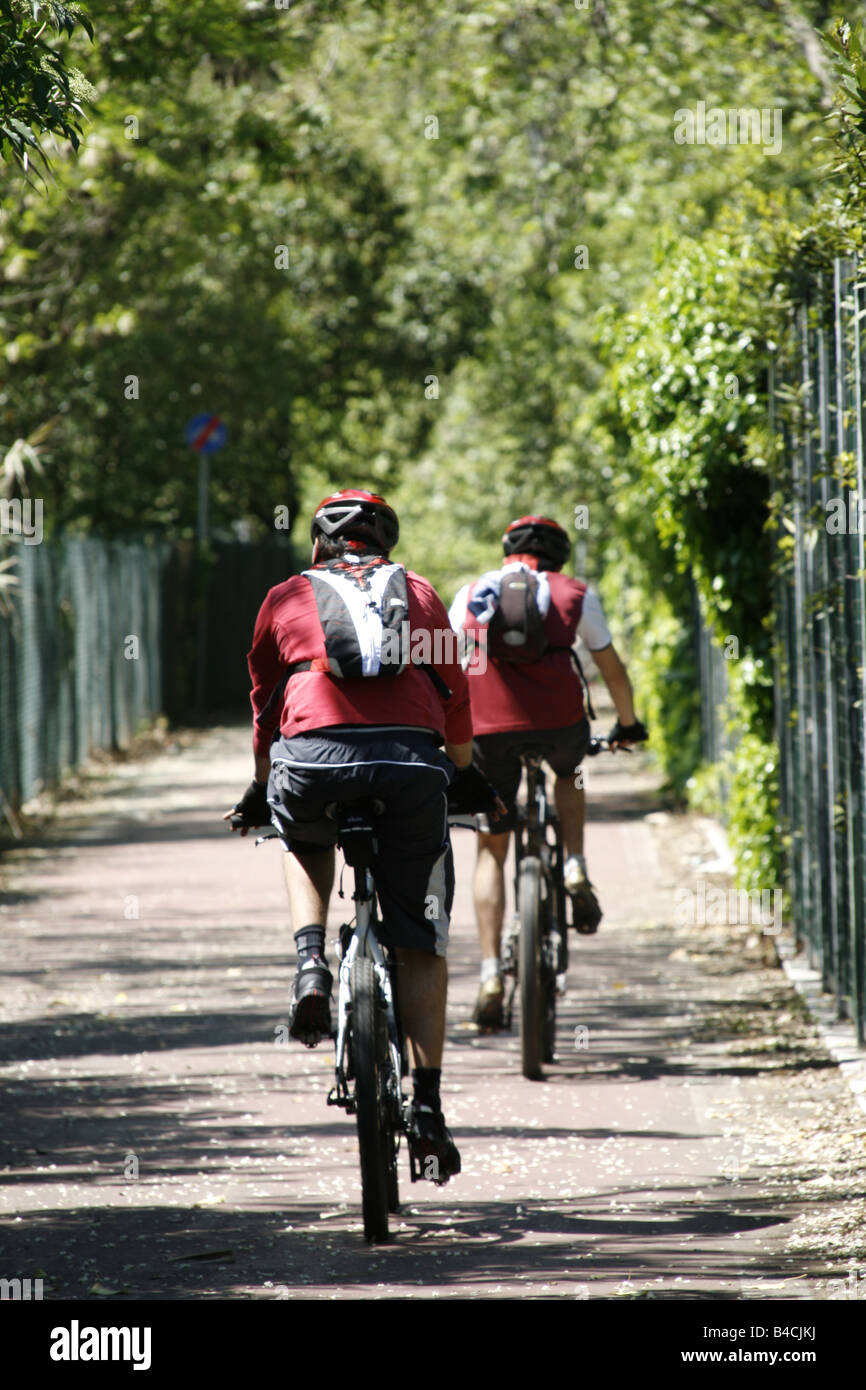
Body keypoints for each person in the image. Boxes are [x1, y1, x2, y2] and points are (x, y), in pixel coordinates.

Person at [224, 489, 499, 1181]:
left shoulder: (285, 596)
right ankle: (428, 1107)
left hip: (310, 759)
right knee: (422, 939)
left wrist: (263, 788)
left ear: (319, 544)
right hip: (410, 764)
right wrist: (463, 774)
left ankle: (311, 961)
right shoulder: (422, 593)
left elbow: (265, 706)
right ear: (387, 541)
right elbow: (455, 691)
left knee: (303, 837)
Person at [449, 514, 647, 1029]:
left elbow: (444, 671)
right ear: (558, 556)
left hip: (487, 730)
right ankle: (576, 863)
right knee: (571, 772)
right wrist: (628, 725)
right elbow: (612, 670)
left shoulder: (471, 592)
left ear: (506, 552)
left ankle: (491, 972)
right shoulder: (575, 593)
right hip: (560, 724)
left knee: (492, 846)